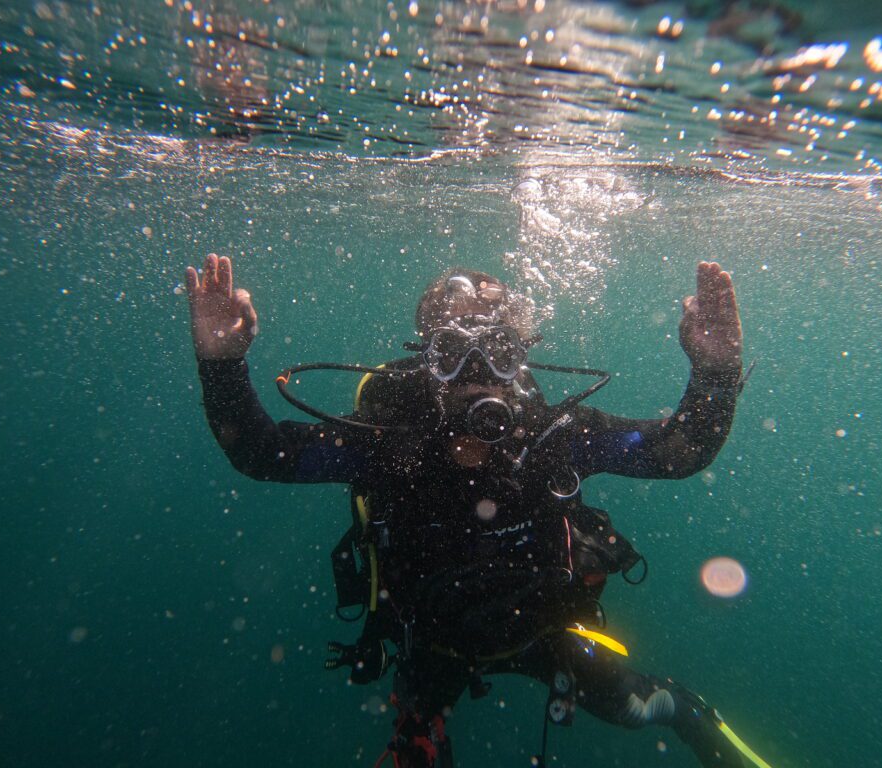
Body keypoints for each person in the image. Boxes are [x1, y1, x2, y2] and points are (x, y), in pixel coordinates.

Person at [185, 255, 767, 768]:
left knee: (637, 707)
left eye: (500, 354)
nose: (477, 374)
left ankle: (694, 717)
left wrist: (714, 371)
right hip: (431, 643)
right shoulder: (391, 442)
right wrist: (221, 363)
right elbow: (259, 453)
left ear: (522, 360)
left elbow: (678, 451)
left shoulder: (555, 436)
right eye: (451, 354)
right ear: (425, 360)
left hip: (548, 630)